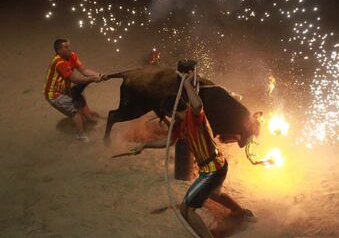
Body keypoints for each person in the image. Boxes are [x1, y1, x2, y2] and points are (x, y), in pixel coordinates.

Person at [132, 68, 255, 237]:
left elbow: (198, 104)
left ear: (171, 112)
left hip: (213, 169)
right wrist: (144, 146)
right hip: (215, 166)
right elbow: (167, 142)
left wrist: (188, 82)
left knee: (187, 210)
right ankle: (242, 212)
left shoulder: (194, 116)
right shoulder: (179, 125)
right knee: (214, 194)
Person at [43, 39, 109, 142]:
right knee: (75, 112)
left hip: (64, 90)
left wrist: (100, 75)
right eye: (66, 47)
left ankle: (89, 119)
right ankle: (80, 135)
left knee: (80, 97)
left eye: (69, 46)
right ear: (59, 51)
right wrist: (93, 79)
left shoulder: (72, 55)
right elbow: (76, 80)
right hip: (55, 95)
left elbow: (84, 71)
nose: (70, 49)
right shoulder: (60, 63)